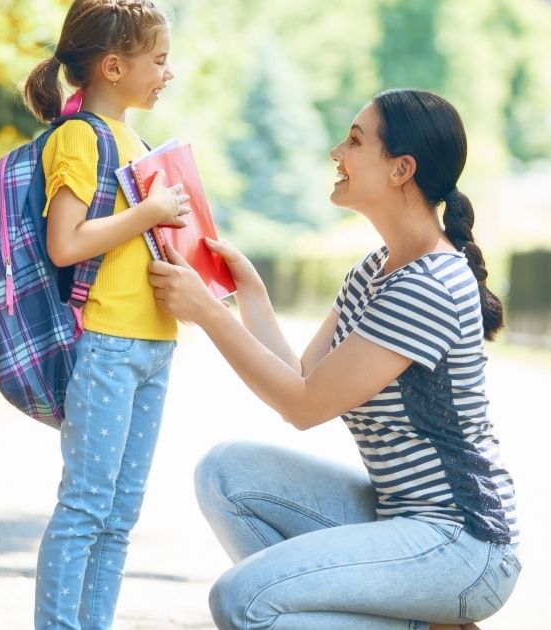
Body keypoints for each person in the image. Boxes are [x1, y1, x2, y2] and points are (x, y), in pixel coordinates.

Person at [148, 88, 521, 629]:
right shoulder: (377, 269)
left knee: (243, 601)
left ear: (401, 170)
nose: (335, 153)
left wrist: (208, 313)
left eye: (354, 140)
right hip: (399, 517)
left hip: (462, 544)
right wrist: (249, 297)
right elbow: (302, 379)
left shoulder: (431, 284)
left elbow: (305, 406)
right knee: (226, 473)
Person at [20, 1, 191, 628]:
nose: (168, 73)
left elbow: (130, 244)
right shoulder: (78, 136)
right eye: (160, 60)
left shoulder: (140, 143)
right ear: (114, 66)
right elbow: (66, 242)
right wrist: (148, 213)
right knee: (87, 506)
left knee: (121, 515)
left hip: (154, 345)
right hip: (107, 345)